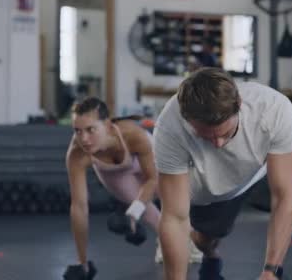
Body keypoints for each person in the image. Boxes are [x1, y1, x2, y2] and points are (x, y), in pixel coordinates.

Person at [154, 68, 292, 280]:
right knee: (203, 239)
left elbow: (284, 200)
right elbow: (174, 218)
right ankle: (212, 257)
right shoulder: (170, 128)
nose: (218, 144)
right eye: (206, 137)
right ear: (187, 119)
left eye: (225, 134)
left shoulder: (272, 109)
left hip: (262, 169)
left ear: (239, 106)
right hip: (211, 188)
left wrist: (271, 271)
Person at [64, 97, 203, 275]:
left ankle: (191, 237)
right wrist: (82, 262)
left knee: (169, 195)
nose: (84, 139)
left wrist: (134, 210)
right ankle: (165, 240)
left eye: (90, 130)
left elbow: (151, 179)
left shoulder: (132, 134)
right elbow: (79, 207)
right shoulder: (77, 154)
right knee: (141, 207)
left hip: (144, 159)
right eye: (77, 131)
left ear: (106, 125)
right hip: (114, 173)